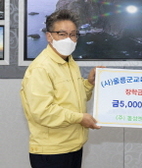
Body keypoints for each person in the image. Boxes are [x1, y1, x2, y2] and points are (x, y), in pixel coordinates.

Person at [20, 9, 101, 168]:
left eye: (73, 34)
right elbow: (43, 112)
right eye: (62, 34)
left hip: (72, 146)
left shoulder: (69, 63)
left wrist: (89, 84)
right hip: (51, 152)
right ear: (49, 36)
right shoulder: (41, 68)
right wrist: (79, 118)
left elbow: (72, 98)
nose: (69, 40)